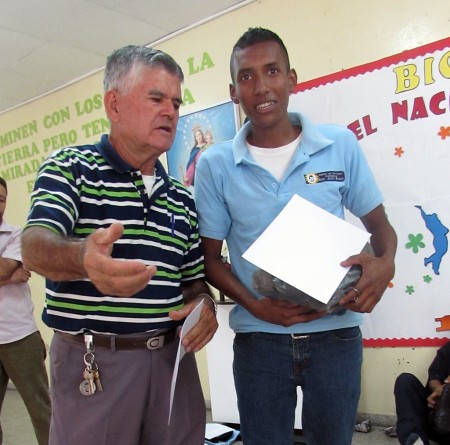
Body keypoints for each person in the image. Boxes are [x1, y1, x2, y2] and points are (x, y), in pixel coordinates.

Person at [194, 27, 397, 445]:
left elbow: (381, 228)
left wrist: (385, 263)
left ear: (292, 78)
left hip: (336, 336)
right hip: (259, 342)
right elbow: (211, 261)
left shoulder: (338, 145)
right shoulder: (215, 165)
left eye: (272, 71)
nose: (261, 86)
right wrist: (257, 307)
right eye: (247, 76)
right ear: (233, 92)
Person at [21, 45, 218, 445]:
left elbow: (194, 281)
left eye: (176, 102)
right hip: (94, 363)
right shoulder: (70, 169)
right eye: (156, 98)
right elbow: (35, 244)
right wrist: (82, 258)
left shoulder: (181, 197)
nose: (170, 111)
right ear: (114, 104)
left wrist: (206, 305)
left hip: (171, 364)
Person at [0, 177, 51, 445]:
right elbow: (7, 271)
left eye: (2, 199)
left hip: (20, 337)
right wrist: (10, 276)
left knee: (42, 412)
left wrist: (8, 273)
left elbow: (4, 269)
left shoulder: (17, 234)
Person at [394, 341, 450, 445]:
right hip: (434, 419)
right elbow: (434, 378)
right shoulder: (448, 348)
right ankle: (415, 441)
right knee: (405, 380)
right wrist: (438, 389)